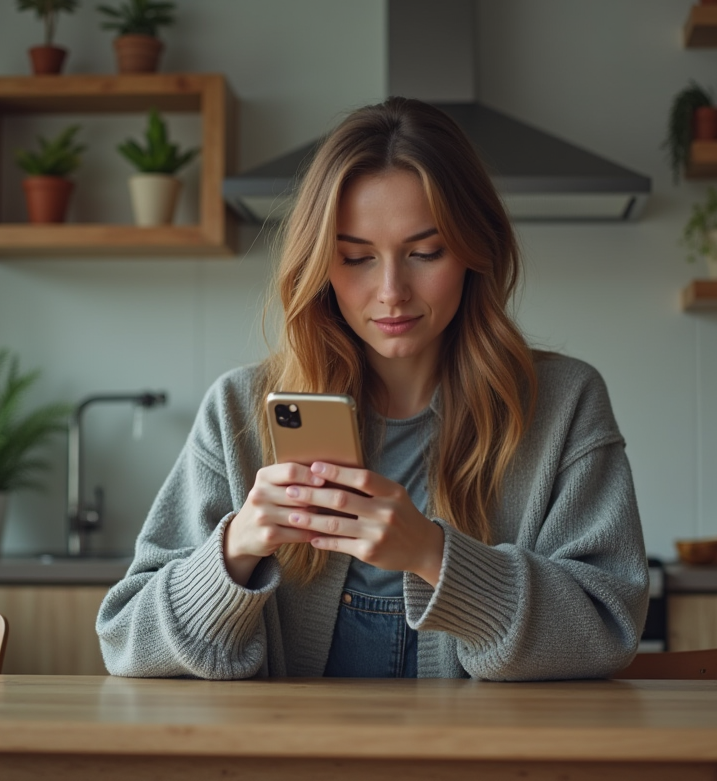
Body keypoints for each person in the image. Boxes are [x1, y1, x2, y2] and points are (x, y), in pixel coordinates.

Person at [96, 97, 649, 680]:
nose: (391, 291)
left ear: (474, 251)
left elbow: (607, 630)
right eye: (356, 257)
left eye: (424, 253)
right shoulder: (238, 410)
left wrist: (433, 556)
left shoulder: (563, 403)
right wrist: (233, 551)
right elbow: (126, 639)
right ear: (319, 266)